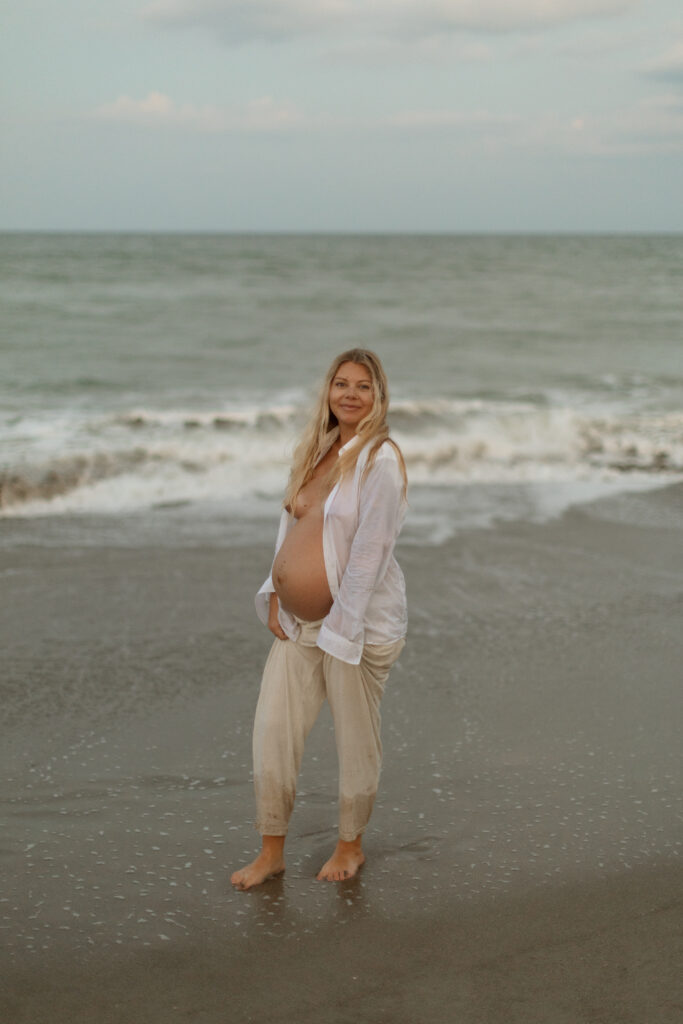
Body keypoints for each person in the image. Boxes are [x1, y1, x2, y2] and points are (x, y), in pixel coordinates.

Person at [231, 349, 408, 889]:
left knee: (355, 741)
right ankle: (271, 851)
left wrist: (341, 628)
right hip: (299, 626)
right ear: (328, 391)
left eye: (363, 386)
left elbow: (370, 553)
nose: (350, 394)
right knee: (272, 733)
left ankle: (350, 846)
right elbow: (291, 529)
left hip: (353, 627)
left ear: (379, 397)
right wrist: (276, 592)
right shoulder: (318, 449)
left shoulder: (381, 459)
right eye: (341, 384)